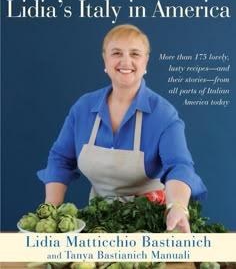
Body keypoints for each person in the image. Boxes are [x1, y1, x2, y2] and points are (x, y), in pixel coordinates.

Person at [37, 24, 207, 233]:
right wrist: (50, 213)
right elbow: (60, 159)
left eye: (135, 53)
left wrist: (178, 207)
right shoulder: (83, 108)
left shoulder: (163, 114)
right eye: (116, 53)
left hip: (153, 222)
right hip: (98, 221)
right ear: (105, 61)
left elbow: (179, 166)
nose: (126, 61)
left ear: (145, 61)